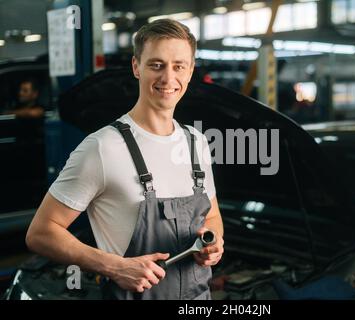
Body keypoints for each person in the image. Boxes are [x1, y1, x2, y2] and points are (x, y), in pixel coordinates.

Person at [25, 19, 224, 300]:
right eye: (156, 65)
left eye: (179, 66)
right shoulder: (103, 147)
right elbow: (41, 233)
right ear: (136, 67)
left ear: (190, 71)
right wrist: (114, 267)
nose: (168, 78)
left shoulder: (197, 143)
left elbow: (212, 216)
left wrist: (213, 242)